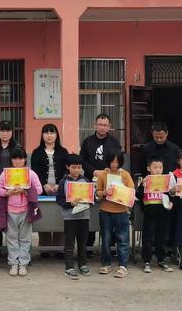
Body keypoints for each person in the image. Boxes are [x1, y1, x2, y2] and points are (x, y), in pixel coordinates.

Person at [80, 113, 122, 256]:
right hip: (90, 180)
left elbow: (119, 160)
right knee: (90, 212)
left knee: (110, 211)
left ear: (109, 127)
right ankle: (89, 246)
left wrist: (109, 170)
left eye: (105, 125)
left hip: (110, 181)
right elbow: (83, 160)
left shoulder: (115, 142)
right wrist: (94, 171)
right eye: (100, 124)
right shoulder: (87, 142)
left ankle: (110, 246)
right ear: (95, 125)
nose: (102, 127)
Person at [0, 148, 42, 277]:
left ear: (25, 159)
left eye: (20, 158)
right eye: (15, 158)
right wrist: (8, 192)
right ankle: (13, 264)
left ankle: (23, 264)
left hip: (26, 211)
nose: (18, 161)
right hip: (10, 211)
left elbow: (38, 189)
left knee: (25, 238)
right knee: (11, 238)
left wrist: (26, 191)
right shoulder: (5, 174)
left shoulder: (31, 174)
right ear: (11, 160)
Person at [30, 123, 68, 257]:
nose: (49, 135)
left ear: (57, 135)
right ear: (42, 135)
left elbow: (66, 170)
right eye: (46, 133)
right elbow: (35, 171)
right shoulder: (36, 152)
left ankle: (59, 248)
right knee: (45, 217)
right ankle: (45, 248)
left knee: (59, 217)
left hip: (60, 189)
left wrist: (60, 185)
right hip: (43, 190)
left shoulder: (63, 152)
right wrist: (44, 184)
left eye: (52, 133)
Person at [95, 150, 134, 278]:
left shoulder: (125, 175)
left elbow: (131, 191)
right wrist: (104, 193)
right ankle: (106, 264)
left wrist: (123, 192)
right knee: (106, 239)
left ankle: (123, 265)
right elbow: (97, 192)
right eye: (112, 161)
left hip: (121, 211)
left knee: (122, 239)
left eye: (117, 162)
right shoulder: (102, 174)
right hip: (106, 210)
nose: (114, 164)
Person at [136, 156, 175, 273]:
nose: (158, 170)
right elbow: (138, 195)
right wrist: (142, 186)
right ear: (149, 168)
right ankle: (146, 261)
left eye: (160, 167)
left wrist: (170, 203)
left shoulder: (166, 181)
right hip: (149, 214)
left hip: (163, 213)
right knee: (148, 237)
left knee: (162, 237)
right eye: (155, 167)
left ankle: (161, 260)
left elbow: (170, 195)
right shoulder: (145, 180)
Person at [0, 120, 20, 254]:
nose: (5, 134)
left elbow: (20, 165)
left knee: (12, 217)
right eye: (2, 131)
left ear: (12, 132)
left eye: (8, 131)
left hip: (13, 187)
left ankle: (13, 248)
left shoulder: (17, 147)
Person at [56, 153, 91, 280]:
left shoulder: (86, 181)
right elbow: (59, 199)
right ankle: (69, 267)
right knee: (69, 243)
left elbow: (91, 199)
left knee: (83, 243)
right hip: (70, 218)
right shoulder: (63, 182)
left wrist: (88, 201)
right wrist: (70, 204)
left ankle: (82, 265)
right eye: (73, 167)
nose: (76, 170)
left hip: (84, 216)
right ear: (67, 167)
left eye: (79, 167)